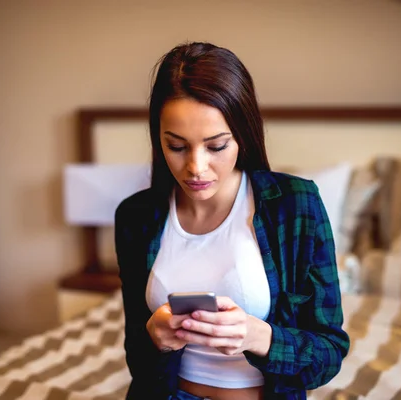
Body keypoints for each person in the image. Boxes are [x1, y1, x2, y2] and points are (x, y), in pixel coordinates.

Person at [114, 41, 350, 400]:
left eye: (216, 146)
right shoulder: (136, 216)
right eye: (176, 146)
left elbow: (329, 354)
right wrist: (155, 339)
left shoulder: (294, 205)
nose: (196, 167)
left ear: (242, 134)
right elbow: (137, 358)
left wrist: (257, 336)